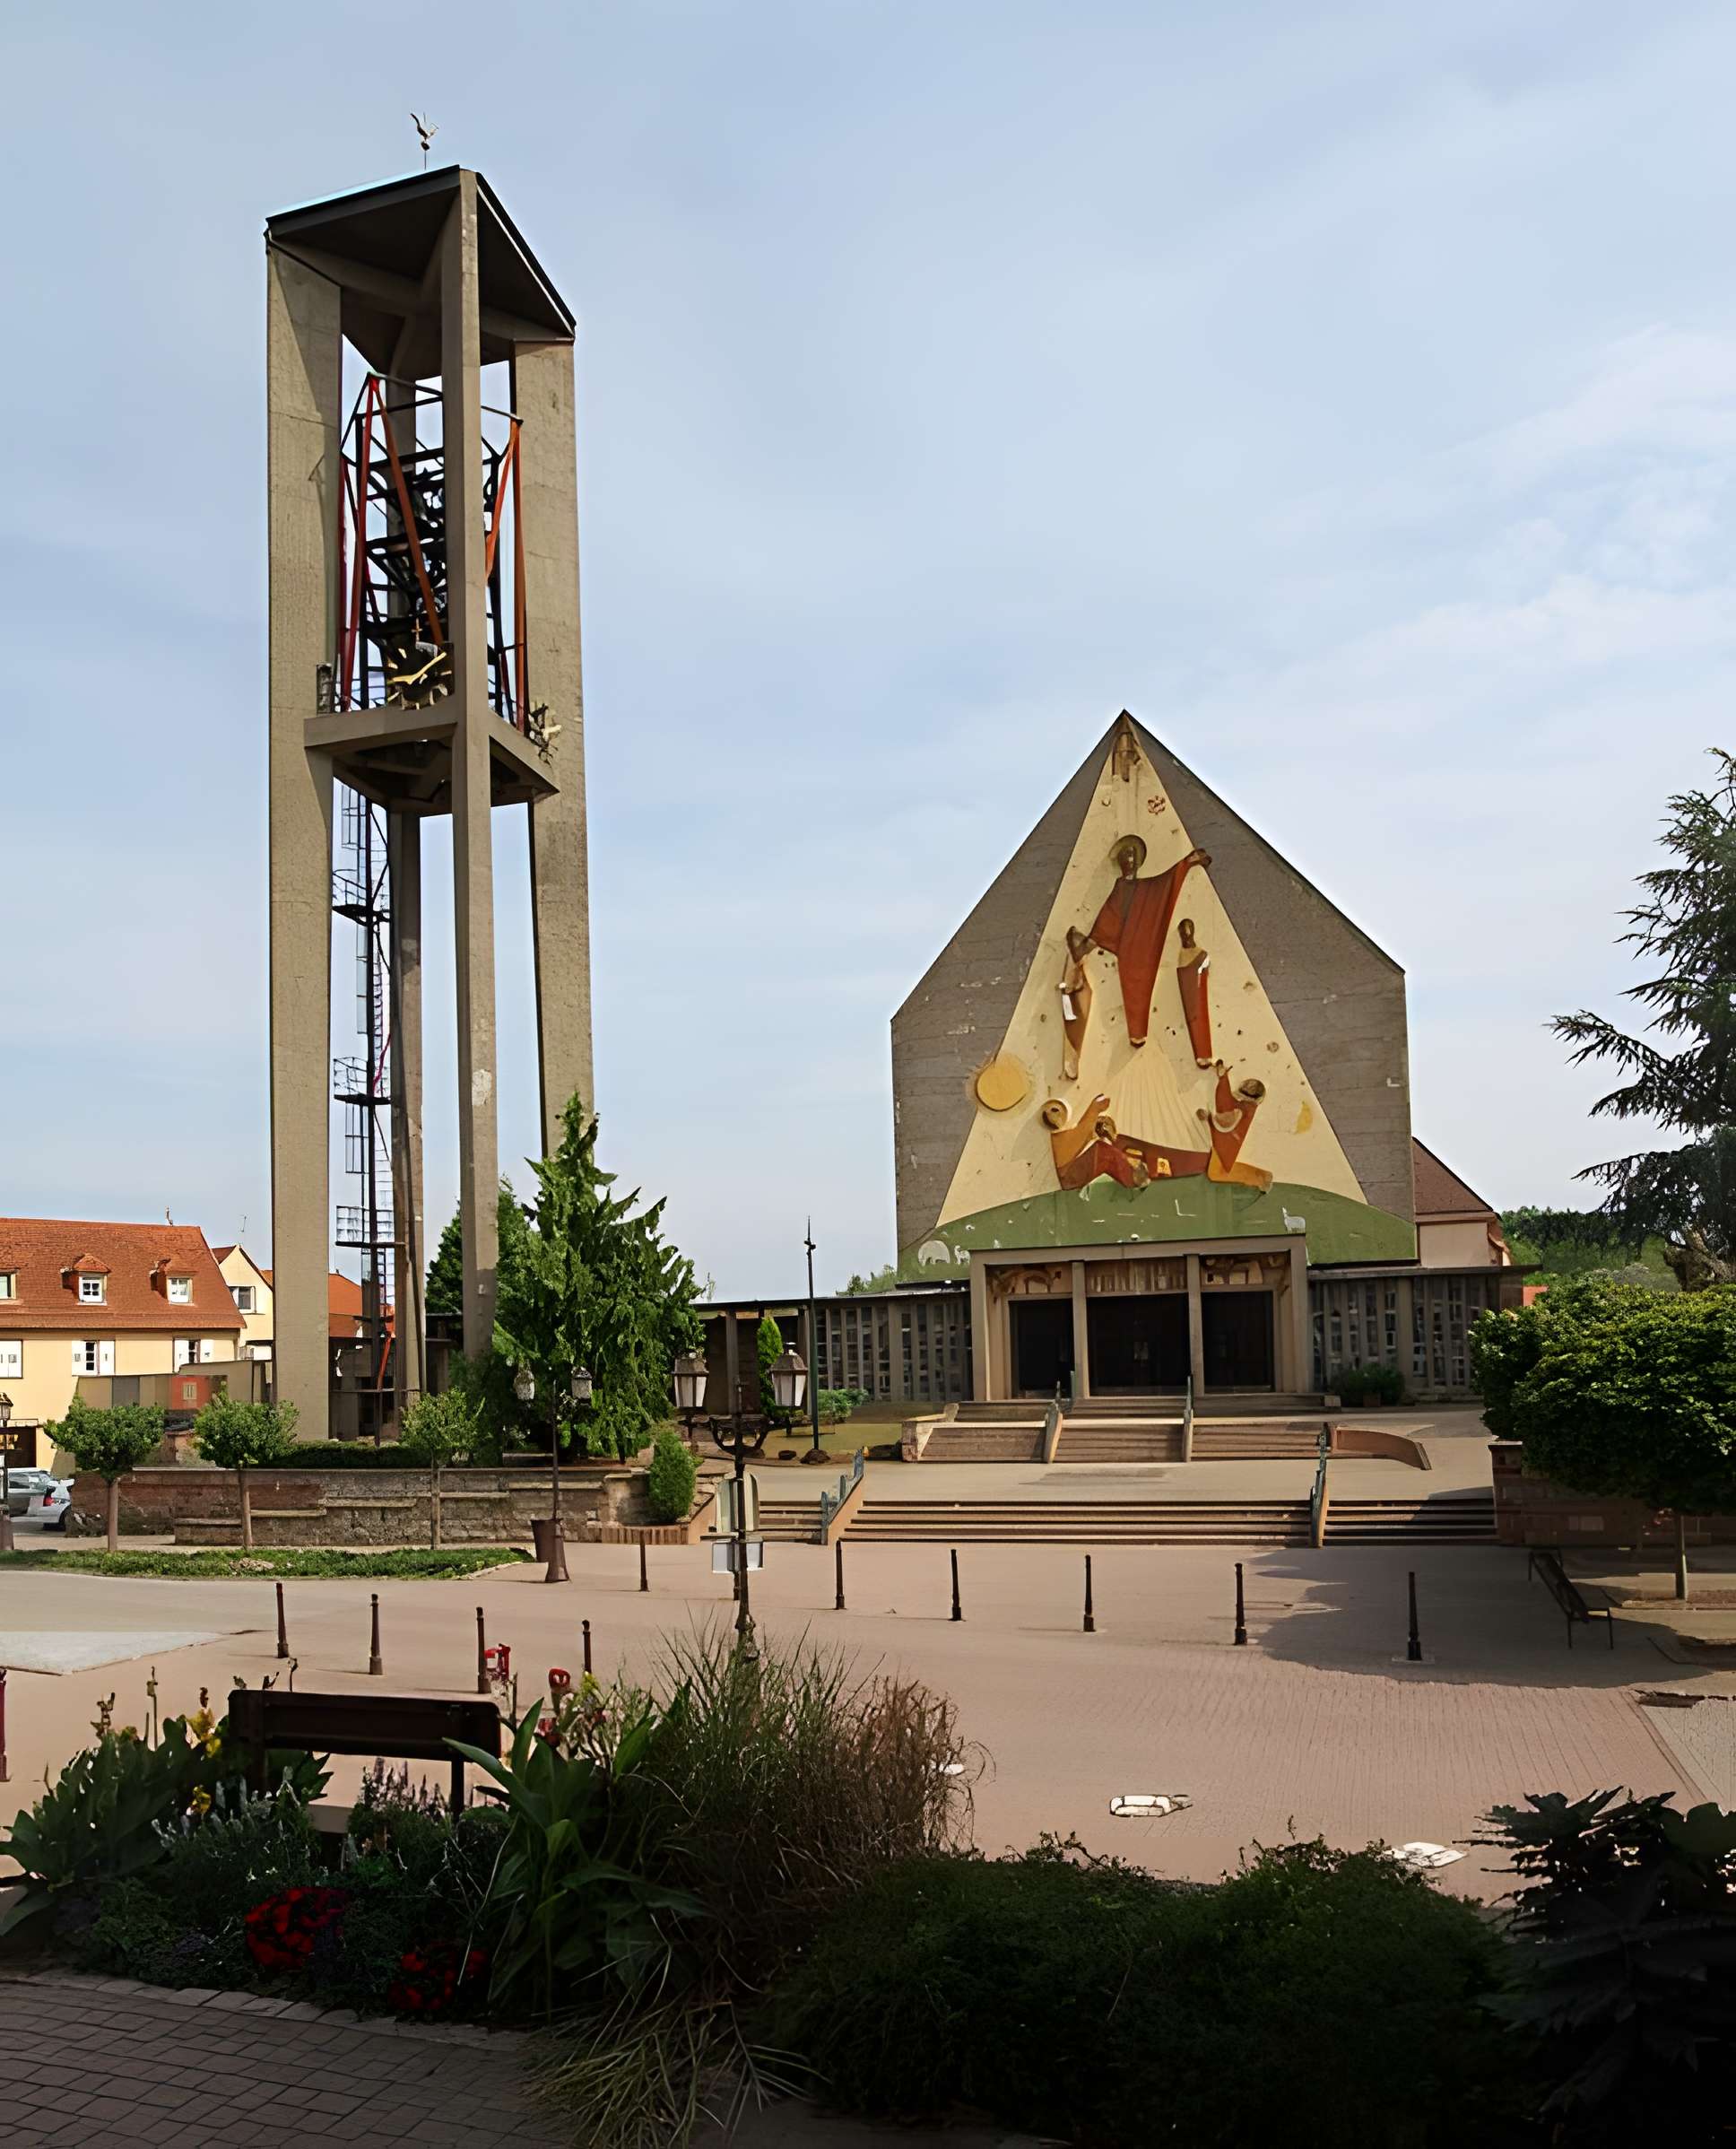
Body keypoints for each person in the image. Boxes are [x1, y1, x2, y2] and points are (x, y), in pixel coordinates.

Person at [1068, 835, 1210, 1048]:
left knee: (1138, 982)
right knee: (1134, 981)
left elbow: (1164, 884)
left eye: (1132, 855)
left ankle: (1086, 945)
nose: (1128, 859)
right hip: (1126, 939)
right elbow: (1110, 916)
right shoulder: (1121, 887)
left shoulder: (1145, 888)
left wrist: (1187, 862)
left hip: (1140, 938)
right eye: (1125, 855)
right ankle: (1087, 945)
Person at [1041, 1096, 1150, 1191]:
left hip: (1063, 1174)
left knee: (1103, 1150)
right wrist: (1094, 1110)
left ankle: (1134, 1175)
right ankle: (1133, 1177)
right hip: (1066, 1178)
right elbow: (1063, 1158)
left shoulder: (1057, 1132)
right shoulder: (1058, 1134)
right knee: (1104, 1153)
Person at [1197, 1065, 1272, 1193]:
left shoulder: (1245, 1109)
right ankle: (1261, 1177)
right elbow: (1224, 1101)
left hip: (1228, 1139)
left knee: (1217, 1172)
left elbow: (1224, 1113)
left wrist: (1209, 1118)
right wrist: (1223, 1077)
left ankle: (1260, 1177)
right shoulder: (1244, 1106)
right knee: (1218, 1170)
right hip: (1225, 1138)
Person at [1176, 918, 1212, 1067]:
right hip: (1189, 987)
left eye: (1189, 930)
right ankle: (1201, 1052)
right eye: (1184, 931)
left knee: (1198, 1016)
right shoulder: (1182, 954)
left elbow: (1203, 968)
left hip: (1197, 986)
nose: (1187, 934)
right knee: (1194, 1016)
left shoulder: (1200, 952)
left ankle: (1203, 1052)